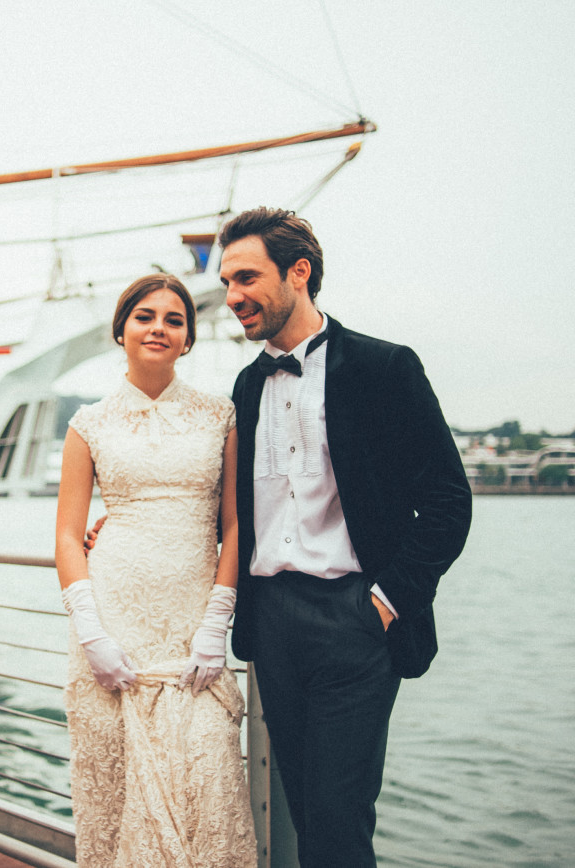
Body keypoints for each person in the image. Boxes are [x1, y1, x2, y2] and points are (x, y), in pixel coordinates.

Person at [219, 206, 472, 867]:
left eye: (246, 278)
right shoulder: (246, 388)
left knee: (337, 819)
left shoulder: (385, 368)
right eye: (226, 283)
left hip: (356, 621)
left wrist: (388, 601)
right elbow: (232, 510)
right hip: (272, 626)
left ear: (298, 272)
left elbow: (447, 499)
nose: (232, 297)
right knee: (305, 807)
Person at [55, 273, 257, 867]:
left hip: (194, 627)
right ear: (121, 330)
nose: (159, 328)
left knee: (208, 782)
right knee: (117, 800)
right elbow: (68, 535)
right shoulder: (87, 424)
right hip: (112, 626)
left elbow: (237, 525)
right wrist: (91, 632)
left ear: (189, 338)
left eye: (174, 319)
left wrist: (216, 624)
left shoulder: (221, 416)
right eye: (145, 316)